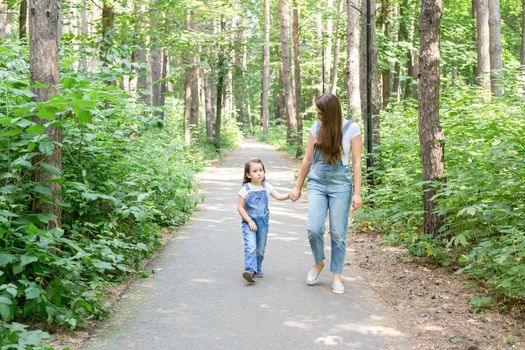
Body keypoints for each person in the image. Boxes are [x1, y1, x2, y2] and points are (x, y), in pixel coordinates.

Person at [289, 93, 362, 294]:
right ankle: (318, 262)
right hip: (317, 183)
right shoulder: (316, 128)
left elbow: (356, 162)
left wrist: (357, 193)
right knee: (314, 228)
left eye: (321, 113)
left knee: (338, 233)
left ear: (330, 112)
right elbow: (307, 160)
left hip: (341, 185)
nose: (318, 116)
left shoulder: (351, 129)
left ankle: (337, 276)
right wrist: (297, 187)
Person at [237, 159, 290, 283]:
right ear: (248, 175)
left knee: (260, 248)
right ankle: (250, 270)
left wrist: (289, 195)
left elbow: (278, 196)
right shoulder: (246, 189)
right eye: (255, 171)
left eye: (261, 170)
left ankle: (258, 268)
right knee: (250, 246)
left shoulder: (266, 186)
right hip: (249, 222)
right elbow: (240, 207)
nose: (259, 173)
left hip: (263, 223)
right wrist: (249, 221)